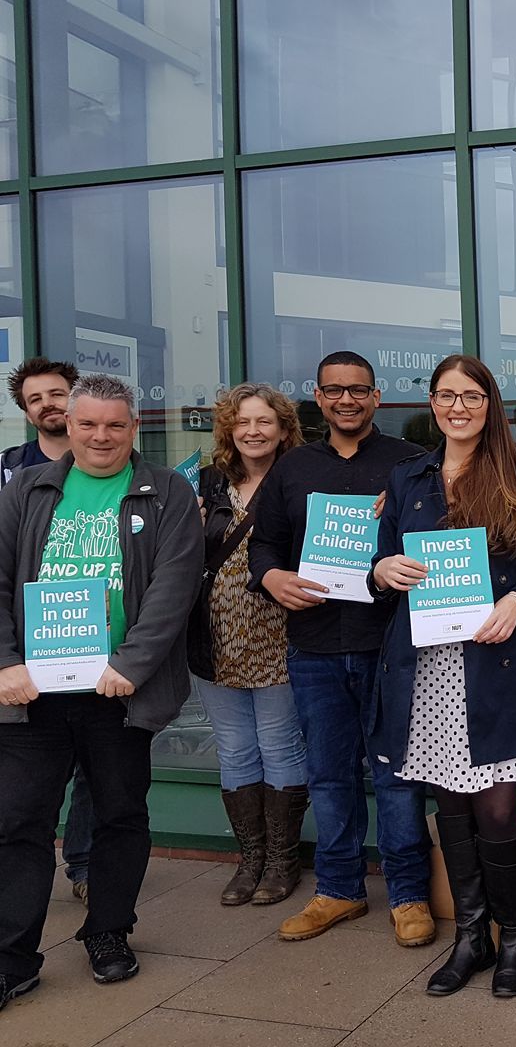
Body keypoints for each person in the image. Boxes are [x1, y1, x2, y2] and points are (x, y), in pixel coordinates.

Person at [0, 374, 202, 1005]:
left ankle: (109, 933)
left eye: (116, 424)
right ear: (67, 424)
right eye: (88, 423)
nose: (101, 436)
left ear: (134, 427)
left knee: (120, 815)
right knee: (18, 824)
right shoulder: (27, 490)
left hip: (117, 693)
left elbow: (175, 587)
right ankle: (12, 958)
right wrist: (6, 662)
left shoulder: (167, 492)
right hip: (33, 695)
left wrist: (133, 664)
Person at [370, 355, 516, 999]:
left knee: (499, 809)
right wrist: (384, 572)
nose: (459, 407)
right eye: (447, 396)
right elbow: (382, 559)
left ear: (490, 404)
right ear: (431, 404)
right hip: (428, 667)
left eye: (472, 396)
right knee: (449, 806)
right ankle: (471, 936)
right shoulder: (408, 478)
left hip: (499, 664)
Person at [248, 352, 435, 948]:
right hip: (315, 647)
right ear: (319, 399)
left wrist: (398, 527)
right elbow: (266, 544)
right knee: (329, 776)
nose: (347, 400)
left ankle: (409, 895)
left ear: (376, 397)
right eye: (335, 391)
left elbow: (441, 540)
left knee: (399, 777)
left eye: (358, 390)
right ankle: (340, 889)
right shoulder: (293, 467)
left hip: (392, 647)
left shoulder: (408, 463)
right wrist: (271, 578)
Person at [189, 384, 308, 907]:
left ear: (283, 429)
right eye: (243, 422)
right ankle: (250, 860)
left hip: (280, 633)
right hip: (214, 635)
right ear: (228, 430)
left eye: (264, 422)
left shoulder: (302, 479)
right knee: (235, 748)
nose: (253, 431)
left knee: (280, 744)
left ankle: (283, 863)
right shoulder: (207, 483)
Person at [1, 357, 94, 907]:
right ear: (26, 410)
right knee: (34, 771)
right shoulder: (10, 470)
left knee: (96, 766)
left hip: (97, 635)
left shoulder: (114, 464)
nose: (48, 405)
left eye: (57, 394)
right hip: (32, 642)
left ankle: (83, 863)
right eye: (36, 399)